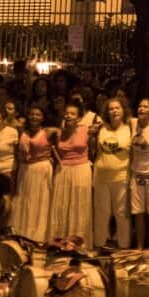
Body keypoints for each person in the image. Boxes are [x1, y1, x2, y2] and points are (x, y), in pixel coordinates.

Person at [50, 103, 93, 247]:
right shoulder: (58, 133)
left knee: (79, 204)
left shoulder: (86, 130)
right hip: (63, 170)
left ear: (79, 117)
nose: (68, 116)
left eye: (72, 114)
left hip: (81, 169)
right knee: (61, 204)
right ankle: (61, 241)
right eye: (67, 113)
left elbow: (93, 150)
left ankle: (78, 241)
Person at [10, 105, 54, 243]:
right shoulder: (22, 131)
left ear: (43, 118)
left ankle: (37, 233)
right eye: (32, 114)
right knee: (24, 199)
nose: (34, 117)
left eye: (38, 114)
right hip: (25, 169)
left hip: (41, 169)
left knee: (39, 200)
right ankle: (21, 231)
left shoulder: (48, 132)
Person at [92, 98, 132, 248]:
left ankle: (123, 247)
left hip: (121, 176)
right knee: (102, 213)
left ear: (123, 110)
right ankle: (99, 245)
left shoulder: (129, 128)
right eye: (111, 109)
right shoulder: (101, 129)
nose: (114, 111)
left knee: (121, 214)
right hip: (101, 176)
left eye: (117, 108)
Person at [129, 98, 149, 249]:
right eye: (140, 106)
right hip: (136, 173)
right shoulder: (133, 123)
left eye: (145, 107)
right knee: (138, 213)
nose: (141, 109)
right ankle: (139, 248)